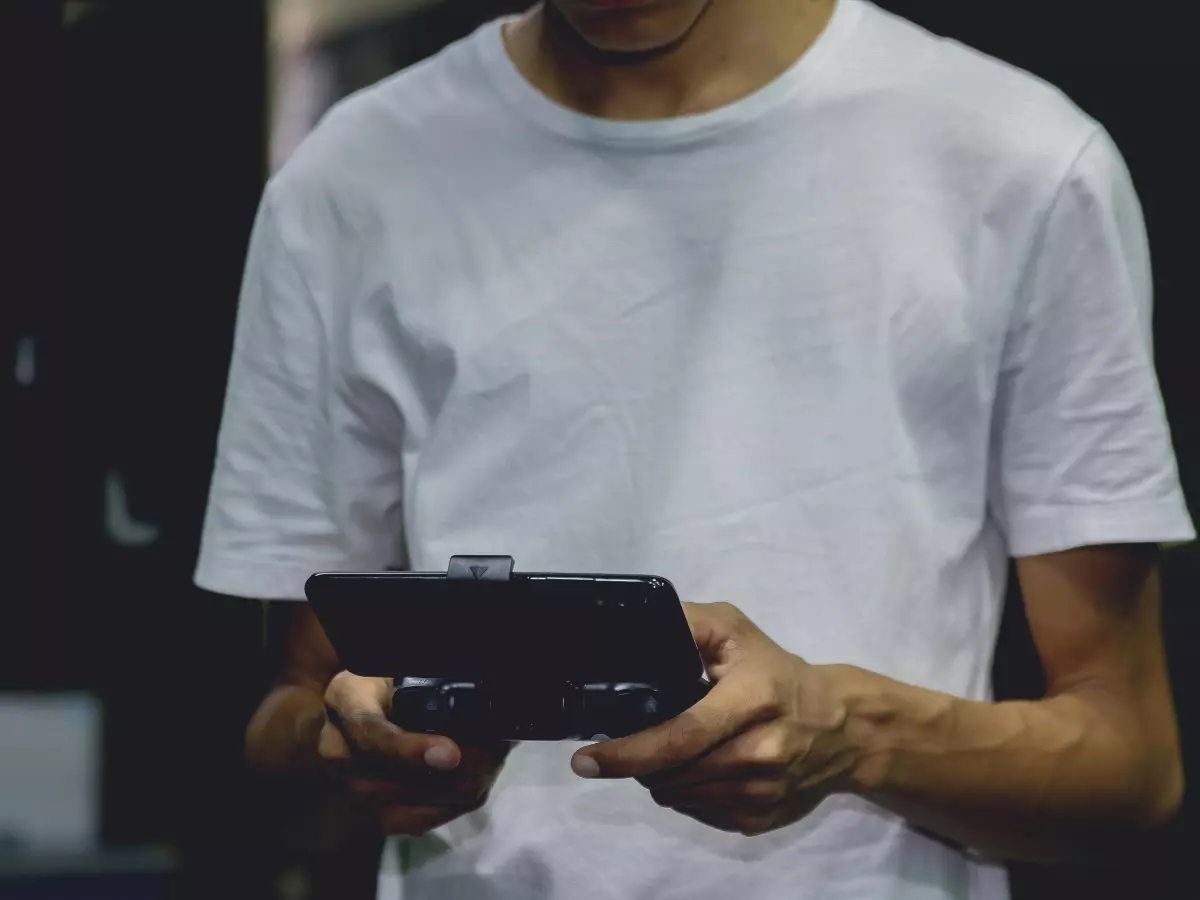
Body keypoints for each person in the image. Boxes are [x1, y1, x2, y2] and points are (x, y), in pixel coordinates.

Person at [194, 1, 1196, 897]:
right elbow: (292, 714)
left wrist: (847, 730)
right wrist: (358, 745)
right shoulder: (351, 182)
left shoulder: (1017, 162)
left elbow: (1130, 762)